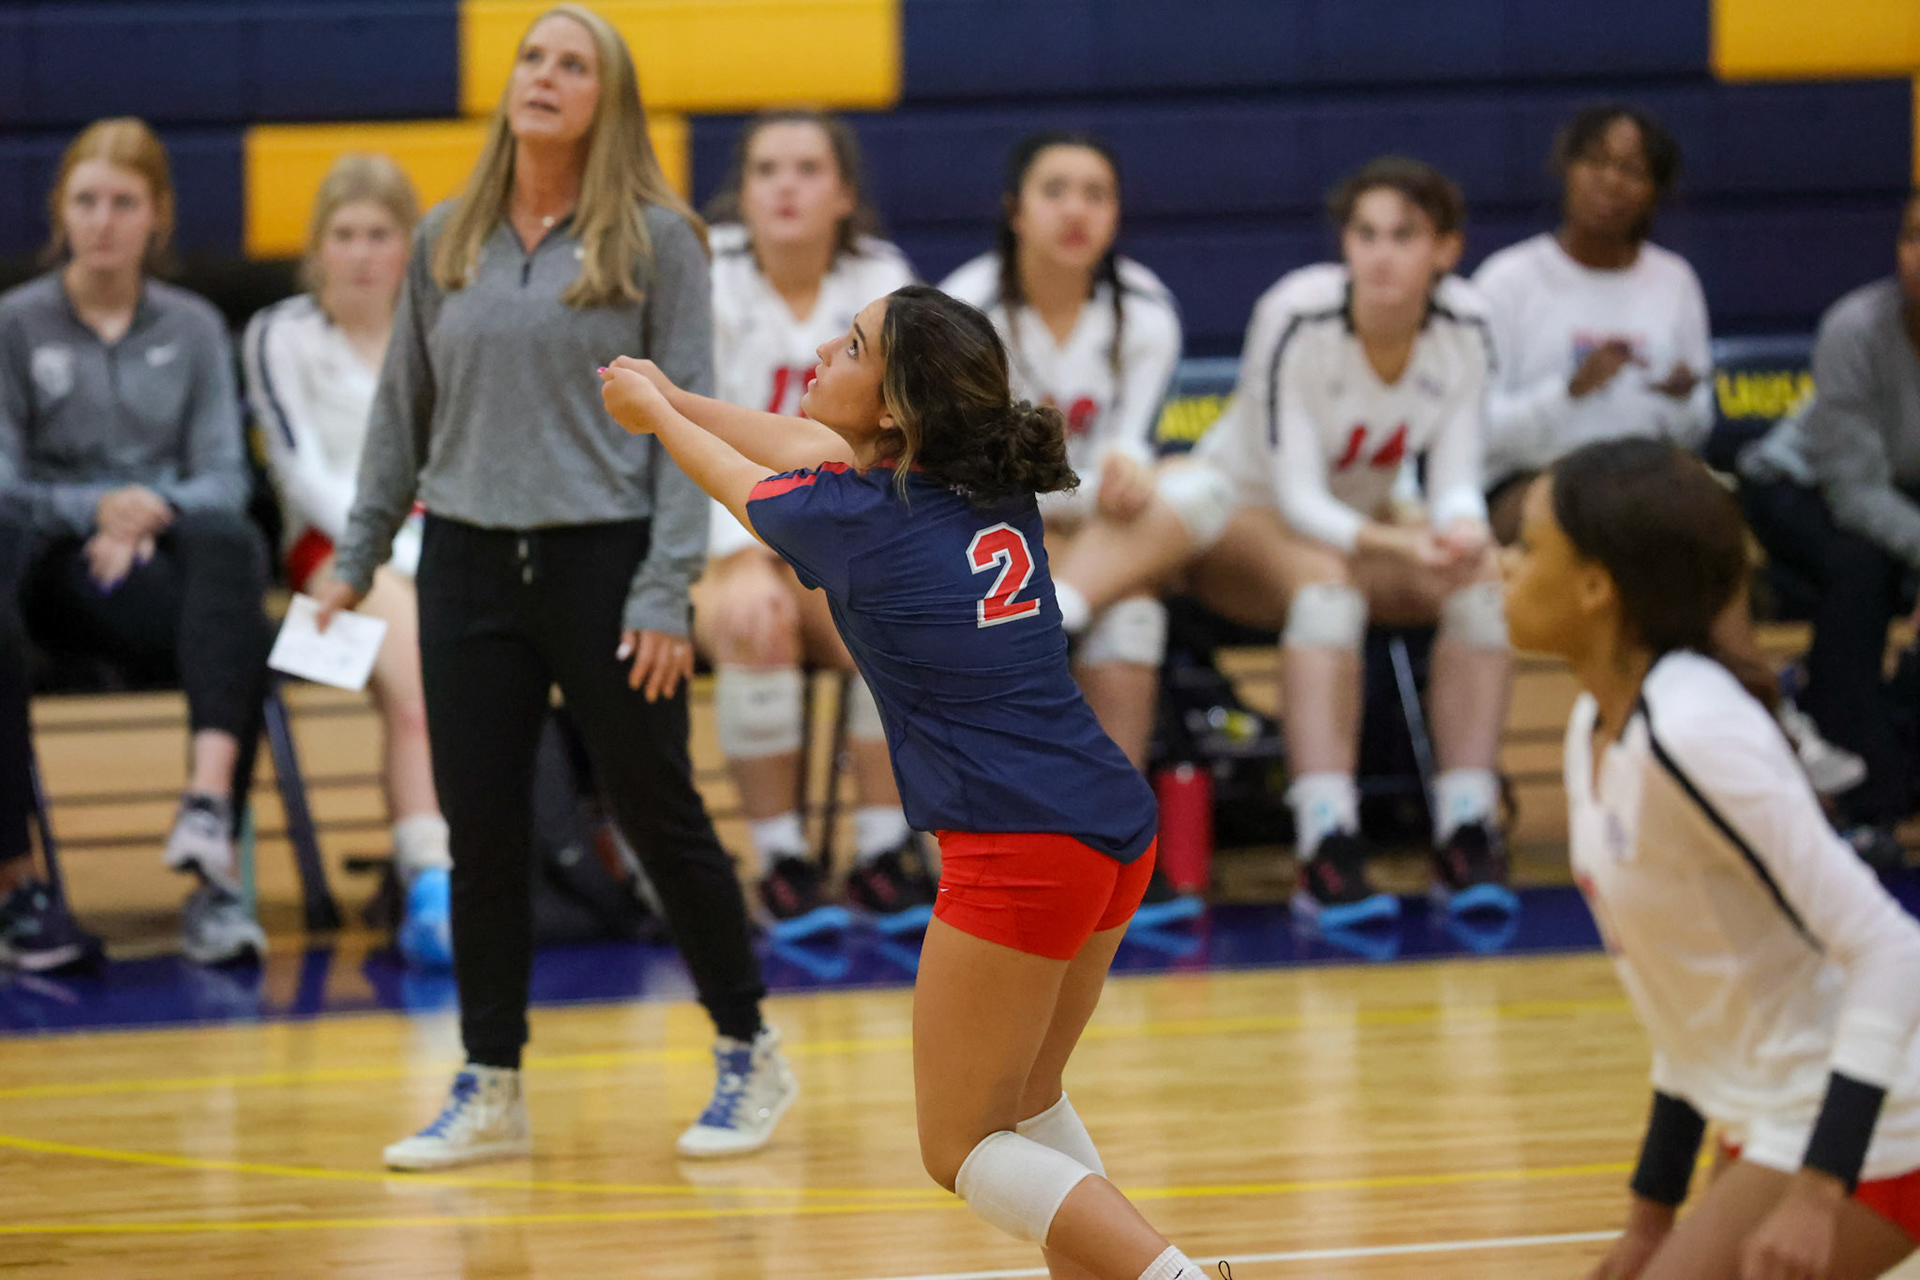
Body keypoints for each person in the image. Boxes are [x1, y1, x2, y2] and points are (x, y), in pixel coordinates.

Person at [599, 282, 1213, 1280]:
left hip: (1018, 844)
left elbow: (735, 479)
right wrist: (678, 389)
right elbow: (804, 451)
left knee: (962, 1146)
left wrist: (662, 415)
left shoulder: (855, 520)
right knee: (1030, 1103)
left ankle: (1177, 1278)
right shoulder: (984, 482)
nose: (821, 354)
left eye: (849, 347)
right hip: (1111, 824)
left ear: (894, 411)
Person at [312, 5, 789, 1169]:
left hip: (609, 563)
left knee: (657, 811)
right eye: (534, 57)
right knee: (482, 834)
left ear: (605, 100)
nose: (546, 77)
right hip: (468, 561)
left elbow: (684, 420)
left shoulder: (660, 239)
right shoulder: (445, 236)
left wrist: (668, 583)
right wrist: (358, 553)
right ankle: (490, 1078)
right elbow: (400, 420)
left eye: (573, 65)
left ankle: (748, 1047)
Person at [1049, 157, 1515, 930]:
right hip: (1243, 523)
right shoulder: (1298, 314)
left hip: (1357, 529)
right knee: (1327, 588)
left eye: (1405, 235)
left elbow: (1458, 477)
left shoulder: (1466, 325)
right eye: (1365, 233)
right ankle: (1325, 842)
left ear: (1447, 249)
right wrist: (1403, 547)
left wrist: (1460, 529)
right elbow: (1298, 498)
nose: (1382, 253)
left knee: (1480, 586)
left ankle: (1467, 829)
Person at [1501, 437, 1920, 1280]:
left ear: (1595, 587)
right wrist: (1651, 1214)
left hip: (1877, 1120)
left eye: (1529, 546)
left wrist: (1815, 1194)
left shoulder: (1696, 731)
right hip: (1768, 1107)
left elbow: (1892, 947)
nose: (1502, 563)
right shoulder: (1597, 725)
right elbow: (1684, 1007)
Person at [1475, 102, 1861, 798]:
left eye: (1632, 169)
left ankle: (1746, 725)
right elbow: (1475, 433)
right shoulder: (1507, 282)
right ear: (1567, 169)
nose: (1612, 182)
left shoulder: (1673, 280)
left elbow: (1694, 426)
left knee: (1700, 514)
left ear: (1655, 190)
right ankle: (1758, 724)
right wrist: (1569, 395)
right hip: (1530, 487)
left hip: (1647, 480)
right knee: (1649, 536)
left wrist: (1679, 398)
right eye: (1598, 162)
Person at [0, 117, 274, 967]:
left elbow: (227, 477)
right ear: (61, 214)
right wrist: (98, 510)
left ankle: (206, 833)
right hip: (47, 572)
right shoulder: (15, 324)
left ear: (157, 216)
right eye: (87, 201)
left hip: (158, 573)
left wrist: (148, 507)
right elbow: (4, 484)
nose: (104, 220)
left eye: (124, 202)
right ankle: (26, 891)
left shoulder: (193, 327)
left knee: (230, 550)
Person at [942, 132, 1200, 931]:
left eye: (1096, 193)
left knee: (1178, 533)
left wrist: (1130, 462)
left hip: (1096, 540)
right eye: (1056, 190)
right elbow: (951, 467)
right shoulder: (960, 312)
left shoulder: (1147, 310)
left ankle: (1111, 844)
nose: (1077, 210)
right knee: (1125, 603)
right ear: (1016, 211)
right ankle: (996, 848)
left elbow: (1131, 438)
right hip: (984, 531)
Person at [695, 109, 929, 938]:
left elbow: (893, 435)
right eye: (766, 170)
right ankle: (780, 861)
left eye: (806, 169)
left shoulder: (882, 279)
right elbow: (676, 432)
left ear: (844, 195)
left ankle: (878, 854)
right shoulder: (704, 275)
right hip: (723, 531)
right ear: (743, 194)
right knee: (753, 620)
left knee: (898, 621)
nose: (785, 185)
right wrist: (740, 554)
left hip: (842, 533)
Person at [243, 154, 454, 969]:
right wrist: (390, 550)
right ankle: (431, 879)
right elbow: (300, 471)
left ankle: (568, 859)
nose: (362, 253)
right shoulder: (279, 334)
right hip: (334, 552)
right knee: (419, 676)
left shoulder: (442, 331)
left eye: (380, 235)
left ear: (410, 248)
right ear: (318, 248)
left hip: (442, 540)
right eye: (344, 235)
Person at [1739, 189, 1920, 871]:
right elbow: (1856, 493)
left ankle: (1824, 704)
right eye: (1910, 236)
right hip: (1800, 487)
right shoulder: (1857, 328)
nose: (1918, 254)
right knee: (1860, 567)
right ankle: (1869, 808)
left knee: (1873, 563)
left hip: (1901, 504)